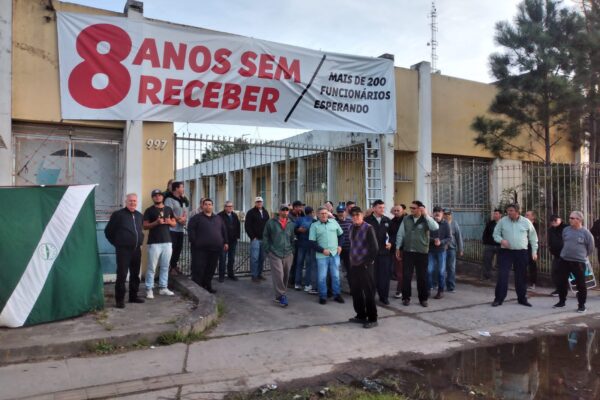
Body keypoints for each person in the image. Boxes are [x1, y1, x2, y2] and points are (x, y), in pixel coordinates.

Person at [492, 203, 538, 307]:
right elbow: (495, 234)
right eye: (508, 211)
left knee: (521, 276)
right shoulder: (502, 221)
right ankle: (498, 299)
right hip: (506, 252)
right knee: (502, 275)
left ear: (517, 212)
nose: (509, 212)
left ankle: (522, 299)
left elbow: (533, 237)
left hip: (521, 252)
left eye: (511, 211)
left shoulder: (526, 222)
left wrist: (534, 251)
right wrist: (501, 240)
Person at [395, 201, 439, 307]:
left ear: (420, 209)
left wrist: (426, 215)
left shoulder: (426, 219)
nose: (411, 210)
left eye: (414, 208)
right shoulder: (406, 219)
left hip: (421, 252)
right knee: (406, 276)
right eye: (411, 208)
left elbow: (435, 227)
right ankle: (406, 298)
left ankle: (423, 299)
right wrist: (397, 247)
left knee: (422, 277)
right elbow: (401, 233)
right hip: (408, 251)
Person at [104, 193, 145, 308]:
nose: (133, 203)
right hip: (123, 250)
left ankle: (133, 296)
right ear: (126, 201)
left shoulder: (139, 215)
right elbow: (108, 232)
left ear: (137, 202)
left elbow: (139, 231)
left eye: (134, 201)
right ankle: (120, 300)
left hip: (136, 249)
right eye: (130, 201)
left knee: (135, 274)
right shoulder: (118, 215)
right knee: (122, 275)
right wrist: (118, 244)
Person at [554, 211, 594, 313]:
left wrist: (581, 256)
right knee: (561, 282)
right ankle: (562, 301)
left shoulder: (586, 233)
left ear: (579, 220)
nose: (570, 220)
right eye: (570, 218)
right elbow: (565, 241)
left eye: (572, 218)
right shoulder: (566, 230)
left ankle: (581, 305)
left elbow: (590, 248)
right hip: (564, 260)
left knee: (581, 284)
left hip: (578, 262)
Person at [187, 198, 228, 294]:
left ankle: (208, 285)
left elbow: (223, 230)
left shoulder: (218, 218)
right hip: (200, 249)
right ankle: (198, 289)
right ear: (202, 206)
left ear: (212, 206)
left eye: (210, 204)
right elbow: (191, 231)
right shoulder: (196, 218)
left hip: (215, 249)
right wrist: (195, 242)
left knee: (211, 269)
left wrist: (225, 242)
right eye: (206, 204)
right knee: (199, 268)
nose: (208, 206)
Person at [348, 207, 379, 329]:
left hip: (365, 265)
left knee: (368, 292)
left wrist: (367, 262)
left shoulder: (368, 228)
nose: (355, 217)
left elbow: (375, 248)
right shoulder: (351, 227)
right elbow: (351, 244)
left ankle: (372, 318)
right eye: (353, 215)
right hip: (354, 264)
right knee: (356, 291)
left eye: (358, 214)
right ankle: (361, 315)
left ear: (362, 215)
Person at [143, 189, 176, 299]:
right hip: (154, 243)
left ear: (162, 197)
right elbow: (145, 226)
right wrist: (156, 223)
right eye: (155, 196)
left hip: (167, 242)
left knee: (165, 266)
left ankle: (163, 288)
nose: (157, 197)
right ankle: (149, 289)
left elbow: (174, 223)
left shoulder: (168, 209)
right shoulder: (149, 210)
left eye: (159, 195)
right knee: (151, 267)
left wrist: (169, 222)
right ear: (152, 198)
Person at [309, 207, 345, 304]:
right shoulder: (314, 226)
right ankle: (323, 296)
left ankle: (337, 294)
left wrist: (340, 246)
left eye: (325, 213)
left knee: (336, 276)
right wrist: (322, 250)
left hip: (334, 254)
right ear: (318, 215)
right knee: (322, 277)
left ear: (328, 214)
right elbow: (311, 242)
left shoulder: (334, 222)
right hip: (322, 256)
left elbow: (341, 235)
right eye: (322, 213)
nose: (324, 215)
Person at [263, 204, 296, 307]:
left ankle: (279, 295)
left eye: (287, 210)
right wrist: (268, 249)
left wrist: (292, 250)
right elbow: (265, 236)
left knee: (285, 275)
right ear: (279, 211)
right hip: (275, 253)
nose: (285, 212)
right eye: (283, 210)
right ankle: (282, 295)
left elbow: (292, 238)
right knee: (279, 274)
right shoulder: (271, 222)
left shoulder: (291, 223)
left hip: (287, 253)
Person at [365, 199, 393, 305]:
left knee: (384, 276)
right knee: (371, 276)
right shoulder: (367, 220)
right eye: (380, 207)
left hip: (384, 253)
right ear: (374, 208)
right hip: (371, 254)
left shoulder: (387, 220)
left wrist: (391, 242)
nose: (382, 209)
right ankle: (370, 296)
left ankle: (384, 297)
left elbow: (393, 234)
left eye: (383, 207)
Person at [244, 196, 270, 282]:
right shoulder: (251, 212)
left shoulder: (265, 212)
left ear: (262, 203)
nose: (259, 203)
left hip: (264, 239)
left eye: (260, 202)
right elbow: (247, 226)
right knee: (254, 258)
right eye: (257, 202)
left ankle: (259, 274)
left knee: (262, 258)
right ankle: (254, 275)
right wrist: (252, 237)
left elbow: (268, 225)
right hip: (255, 239)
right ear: (255, 203)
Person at [164, 181, 187, 275]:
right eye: (182, 187)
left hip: (180, 229)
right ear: (176, 188)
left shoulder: (182, 199)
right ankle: (168, 268)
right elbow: (169, 212)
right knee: (171, 249)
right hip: (172, 229)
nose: (183, 189)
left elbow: (185, 211)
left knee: (178, 248)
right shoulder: (169, 200)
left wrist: (184, 218)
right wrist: (178, 219)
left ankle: (174, 266)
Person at [427, 206, 451, 299]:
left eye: (439, 212)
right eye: (435, 212)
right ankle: (428, 289)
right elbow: (425, 236)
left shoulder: (446, 224)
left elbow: (449, 238)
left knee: (441, 272)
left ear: (442, 214)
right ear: (433, 213)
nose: (437, 214)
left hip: (441, 251)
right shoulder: (429, 223)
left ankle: (440, 291)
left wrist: (441, 242)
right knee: (429, 271)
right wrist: (434, 240)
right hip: (431, 251)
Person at [295, 206, 317, 293]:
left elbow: (294, 230)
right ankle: (308, 284)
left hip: (301, 244)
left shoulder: (299, 219)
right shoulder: (314, 221)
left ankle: (297, 283)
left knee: (299, 264)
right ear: (312, 212)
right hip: (310, 246)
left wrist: (299, 230)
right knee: (309, 266)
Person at [217, 201, 240, 282]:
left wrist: (237, 236)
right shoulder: (220, 215)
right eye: (228, 206)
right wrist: (222, 241)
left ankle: (231, 274)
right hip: (223, 241)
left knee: (231, 258)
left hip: (233, 240)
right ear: (225, 207)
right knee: (222, 258)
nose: (230, 208)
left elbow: (238, 225)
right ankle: (221, 276)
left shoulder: (234, 215)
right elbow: (218, 229)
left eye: (231, 206)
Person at [444, 208, 464, 293]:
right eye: (446, 214)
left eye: (449, 214)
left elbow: (458, 237)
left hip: (451, 249)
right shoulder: (440, 223)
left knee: (451, 268)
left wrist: (461, 249)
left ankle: (451, 287)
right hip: (441, 249)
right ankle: (438, 285)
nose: (447, 216)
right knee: (440, 268)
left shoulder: (454, 224)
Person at [548, 214, 567, 297]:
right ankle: (559, 289)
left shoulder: (566, 228)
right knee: (554, 272)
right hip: (557, 255)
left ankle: (578, 290)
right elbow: (550, 240)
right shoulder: (551, 230)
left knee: (571, 273)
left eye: (556, 220)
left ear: (560, 219)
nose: (554, 222)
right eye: (552, 220)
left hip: (567, 254)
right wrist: (551, 248)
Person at [389, 204, 406, 299]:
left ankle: (401, 290)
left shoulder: (407, 220)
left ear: (403, 210)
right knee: (399, 271)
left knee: (403, 271)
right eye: (394, 210)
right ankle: (400, 289)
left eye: (398, 210)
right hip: (396, 249)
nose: (396, 212)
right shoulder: (392, 221)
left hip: (406, 248)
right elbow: (391, 234)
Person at [481, 209, 502, 281]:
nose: (494, 215)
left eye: (496, 214)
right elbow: (485, 233)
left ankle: (500, 278)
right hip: (490, 245)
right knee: (487, 261)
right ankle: (487, 276)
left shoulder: (503, 223)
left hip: (500, 245)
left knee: (501, 262)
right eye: (494, 214)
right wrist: (485, 242)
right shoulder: (490, 223)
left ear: (500, 215)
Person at [336, 203, 353, 289]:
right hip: (337, 249)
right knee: (336, 269)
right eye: (339, 211)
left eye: (342, 211)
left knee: (350, 269)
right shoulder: (334, 222)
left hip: (348, 249)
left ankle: (352, 288)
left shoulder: (350, 221)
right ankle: (336, 289)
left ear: (345, 212)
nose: (340, 213)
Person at [288, 200, 305, 287]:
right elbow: (290, 227)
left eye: (301, 207)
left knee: (298, 261)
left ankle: (296, 280)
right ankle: (290, 281)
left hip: (300, 241)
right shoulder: (289, 216)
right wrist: (298, 229)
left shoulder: (301, 214)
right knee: (292, 261)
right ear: (295, 207)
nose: (301, 208)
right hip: (292, 242)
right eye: (299, 207)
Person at [525, 210, 539, 290]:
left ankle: (533, 283)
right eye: (525, 215)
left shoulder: (535, 226)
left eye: (527, 215)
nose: (525, 216)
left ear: (533, 217)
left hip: (532, 247)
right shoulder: (524, 224)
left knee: (532, 265)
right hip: (524, 247)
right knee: (523, 265)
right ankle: (524, 282)